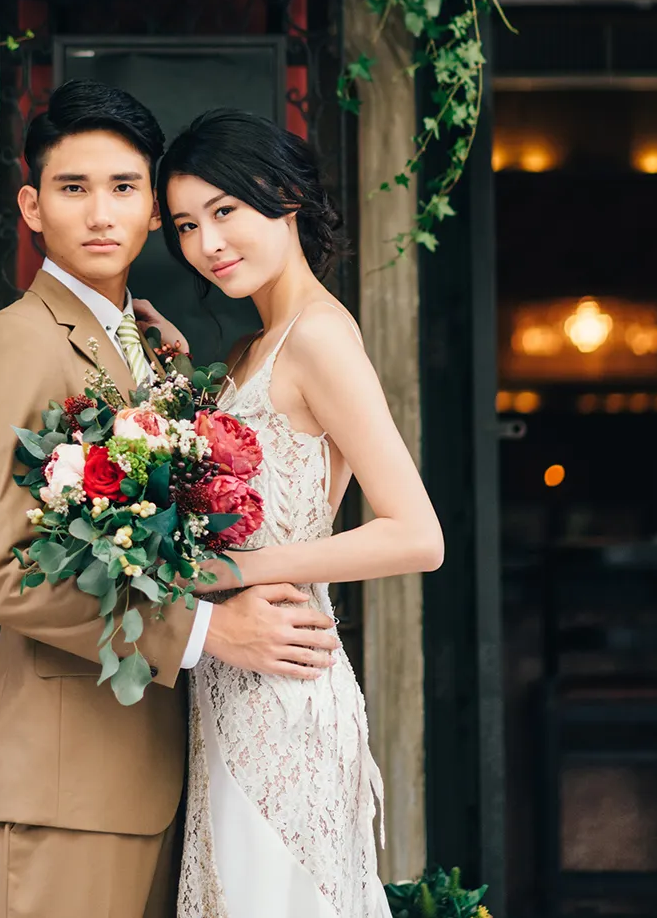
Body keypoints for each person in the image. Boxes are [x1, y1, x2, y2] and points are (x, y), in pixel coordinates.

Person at [0, 82, 340, 918]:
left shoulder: (155, 346)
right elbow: (3, 575)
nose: (100, 214)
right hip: (67, 786)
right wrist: (210, 628)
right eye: (72, 188)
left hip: (173, 768)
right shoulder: (13, 345)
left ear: (154, 209)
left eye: (124, 188)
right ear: (31, 205)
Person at [147, 108, 444, 918]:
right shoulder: (251, 348)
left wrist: (240, 570)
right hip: (229, 682)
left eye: (224, 211)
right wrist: (173, 383)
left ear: (284, 197)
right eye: (184, 225)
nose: (207, 242)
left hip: (284, 685)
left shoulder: (319, 338)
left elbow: (418, 536)